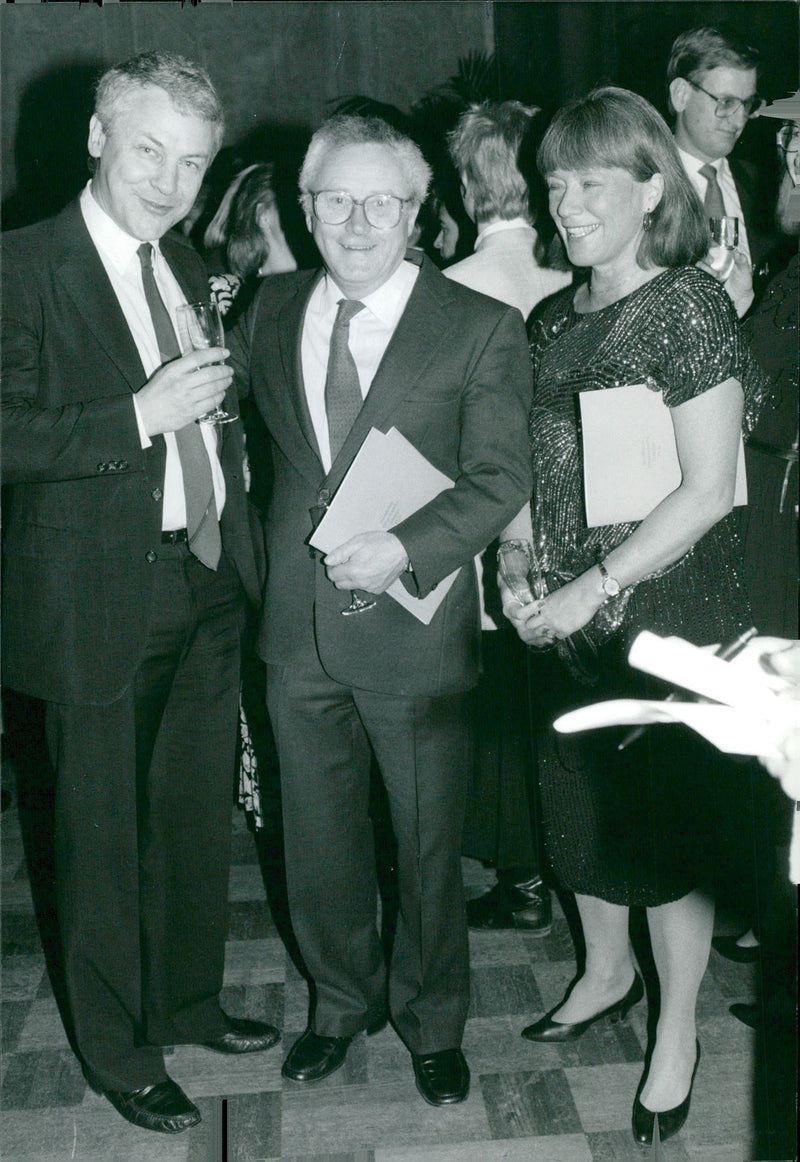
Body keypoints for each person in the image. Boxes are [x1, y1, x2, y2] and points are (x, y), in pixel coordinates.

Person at [1, 51, 280, 1135]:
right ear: (96, 138)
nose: (168, 181)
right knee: (101, 836)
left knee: (187, 814)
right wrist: (138, 417)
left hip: (205, 577)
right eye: (149, 151)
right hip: (91, 595)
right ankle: (119, 1048)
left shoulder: (184, 261)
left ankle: (186, 998)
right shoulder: (23, 266)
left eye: (193, 161)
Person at [229, 112, 532, 1106]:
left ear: (416, 212)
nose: (356, 222)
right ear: (302, 208)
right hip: (292, 634)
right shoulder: (267, 310)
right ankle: (335, 1003)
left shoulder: (476, 324)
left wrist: (403, 545)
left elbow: (497, 480)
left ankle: (433, 1021)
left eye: (380, 202)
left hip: (414, 629)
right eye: (334, 200)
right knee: (314, 838)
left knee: (426, 843)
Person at [500, 86, 766, 1146]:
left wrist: (588, 588)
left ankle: (676, 1034)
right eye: (554, 184)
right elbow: (533, 459)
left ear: (651, 186)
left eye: (590, 184)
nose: (565, 203)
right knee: (578, 802)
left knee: (659, 829)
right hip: (567, 601)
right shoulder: (549, 315)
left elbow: (704, 489)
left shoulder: (687, 305)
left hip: (668, 603)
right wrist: (517, 554)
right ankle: (604, 972)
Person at [442, 100, 571, 935]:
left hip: (485, 525)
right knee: (548, 702)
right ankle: (560, 866)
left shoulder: (448, 292)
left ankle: (522, 878)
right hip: (567, 523)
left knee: (495, 711)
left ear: (465, 184)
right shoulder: (573, 279)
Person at [667, 25, 773, 317]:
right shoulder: (643, 185)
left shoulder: (767, 184)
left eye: (747, 103)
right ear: (681, 95)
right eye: (726, 102)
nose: (739, 119)